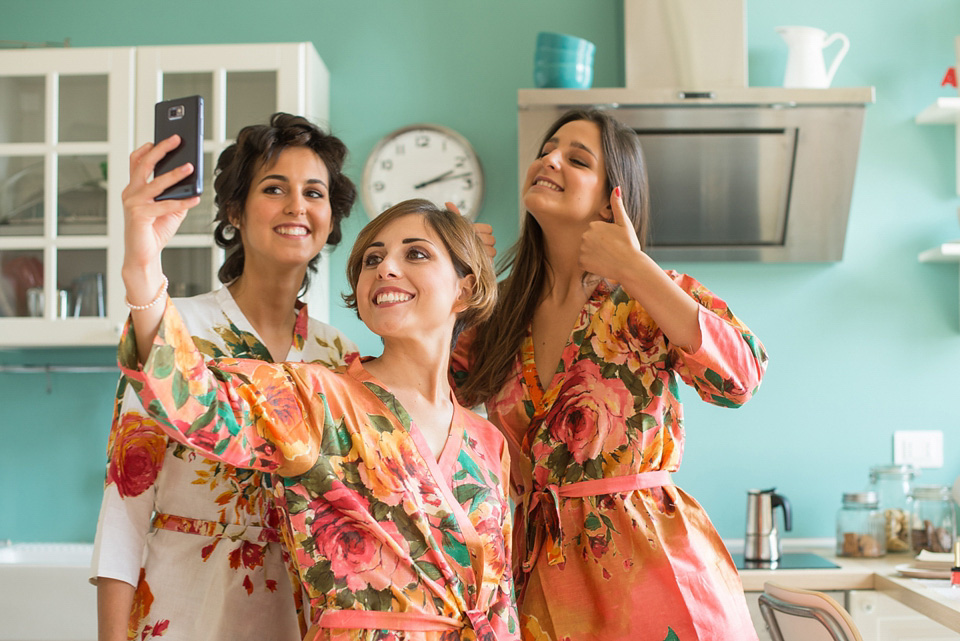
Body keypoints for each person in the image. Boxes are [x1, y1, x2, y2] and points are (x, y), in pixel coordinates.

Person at [117, 188, 519, 640]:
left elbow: (502, 599)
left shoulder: (487, 441)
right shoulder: (316, 397)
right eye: (371, 259)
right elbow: (193, 398)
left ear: (466, 288)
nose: (386, 267)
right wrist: (142, 269)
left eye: (417, 254)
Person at [452, 108, 769, 641]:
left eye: (576, 158)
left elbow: (740, 378)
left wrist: (634, 266)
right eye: (545, 151)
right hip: (538, 583)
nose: (548, 160)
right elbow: (428, 409)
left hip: (652, 573)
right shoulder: (500, 313)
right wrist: (452, 283)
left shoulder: (644, 296)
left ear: (610, 197)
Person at [91, 113, 359, 641]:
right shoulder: (173, 327)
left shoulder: (340, 356)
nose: (297, 206)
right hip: (185, 609)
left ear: (331, 217)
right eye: (274, 188)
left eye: (314, 192)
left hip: (305, 619)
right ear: (234, 211)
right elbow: (125, 503)